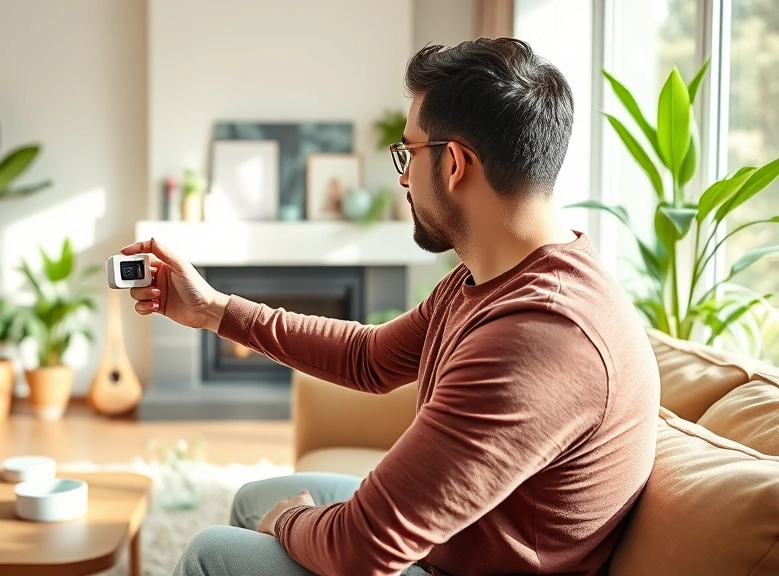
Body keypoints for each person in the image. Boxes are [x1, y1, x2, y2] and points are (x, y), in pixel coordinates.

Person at [122, 37, 660, 576]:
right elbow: (370, 358)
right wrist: (215, 309)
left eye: (408, 152)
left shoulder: (541, 334)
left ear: (453, 163)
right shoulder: (495, 277)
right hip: (459, 541)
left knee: (210, 554)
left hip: (459, 567)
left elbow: (363, 548)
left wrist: (290, 522)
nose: (402, 176)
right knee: (253, 498)